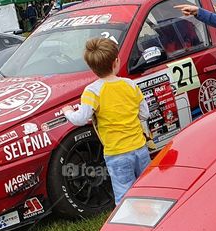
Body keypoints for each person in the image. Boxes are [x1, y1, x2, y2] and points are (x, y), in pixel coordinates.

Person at [64, 38, 151, 202]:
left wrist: (68, 111)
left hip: (116, 153)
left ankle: (129, 225)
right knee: (147, 188)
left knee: (125, 197)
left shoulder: (92, 91)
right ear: (116, 61)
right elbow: (145, 114)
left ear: (91, 67)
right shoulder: (130, 85)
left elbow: (80, 119)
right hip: (140, 148)